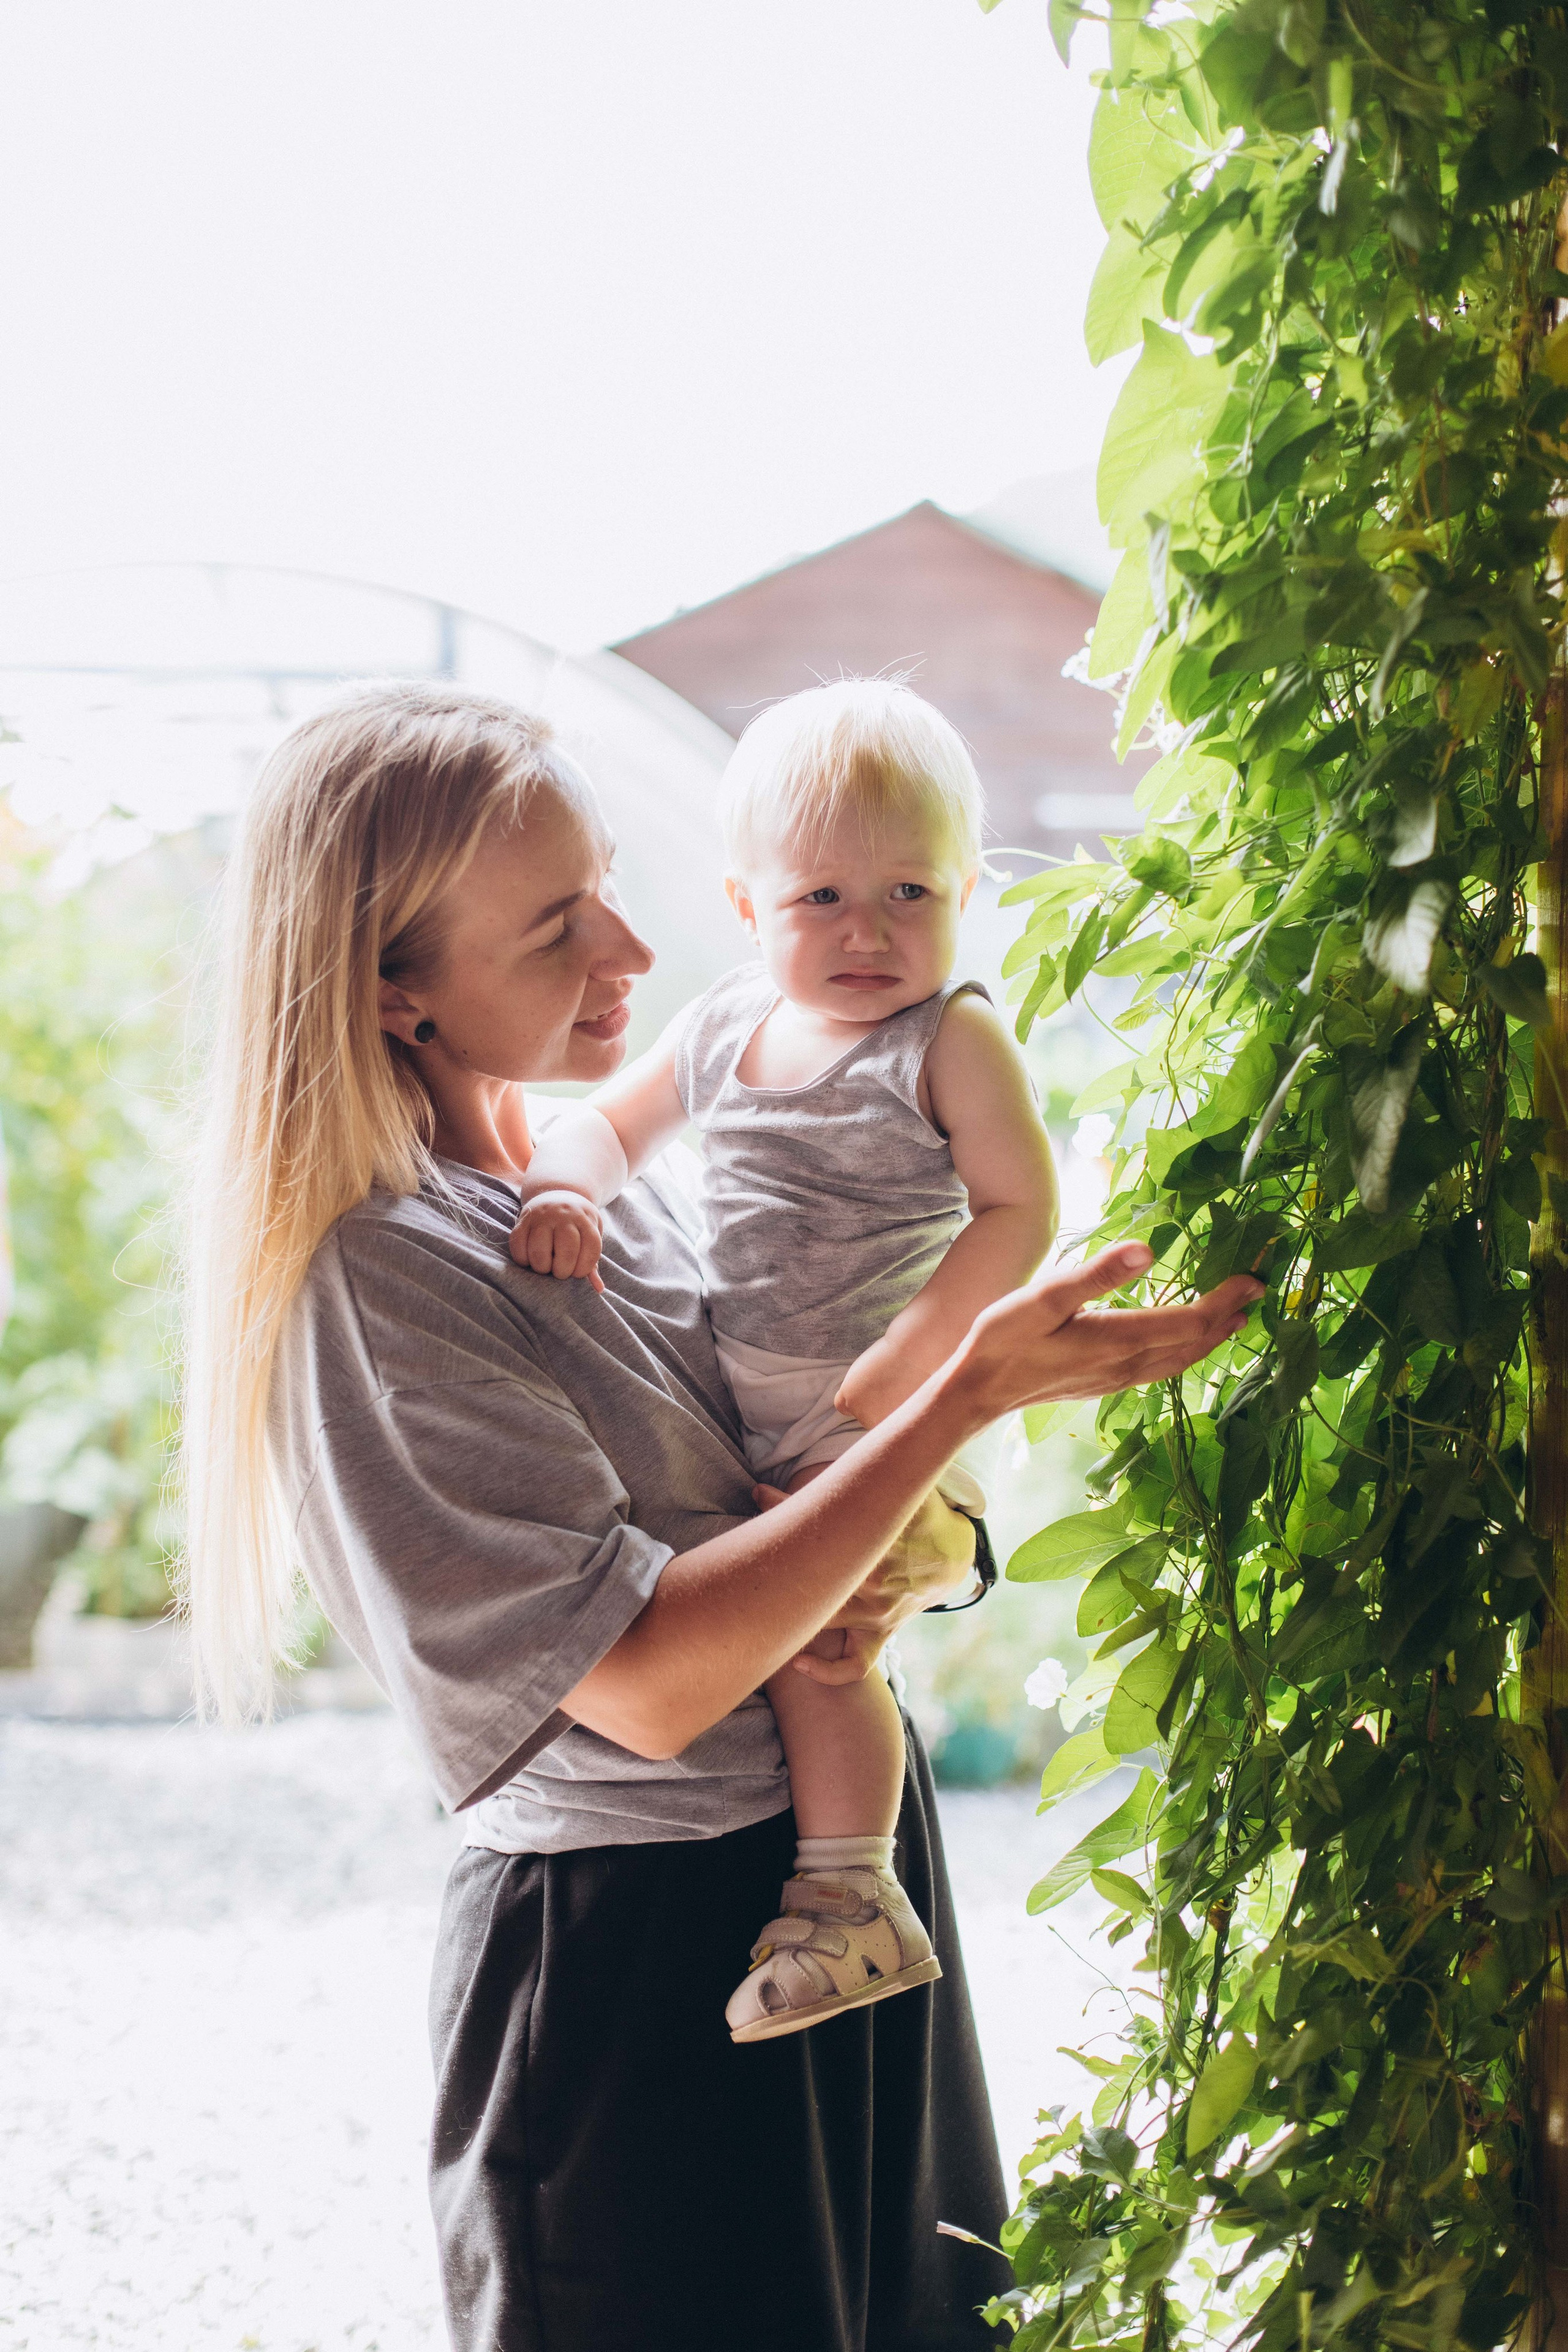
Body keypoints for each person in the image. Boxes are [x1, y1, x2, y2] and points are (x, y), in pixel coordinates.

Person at [181, 681, 1262, 2352]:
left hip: (844, 1897)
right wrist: (964, 1396)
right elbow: (656, 1679)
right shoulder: (383, 1278)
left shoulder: (604, 1192)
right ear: (398, 990)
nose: (632, 947)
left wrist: (937, 1528)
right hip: (644, 1966)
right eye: (556, 929)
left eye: (611, 880)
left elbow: (802, 1497)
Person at [510, 679, 1059, 2045]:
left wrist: (917, 1355)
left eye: (909, 893)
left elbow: (1019, 1211)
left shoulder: (949, 1042)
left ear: (965, 894)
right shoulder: (718, 1029)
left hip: (886, 1422)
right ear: (748, 909)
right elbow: (603, 1127)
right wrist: (564, 1191)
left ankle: (849, 1898)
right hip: (751, 1416)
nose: (868, 931)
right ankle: (837, 1885)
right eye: (821, 897)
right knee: (769, 1631)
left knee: (824, 1652)